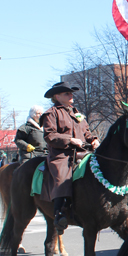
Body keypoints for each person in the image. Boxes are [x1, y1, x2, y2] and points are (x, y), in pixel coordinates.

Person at [40, 82, 100, 234]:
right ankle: (59, 213)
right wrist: (69, 140)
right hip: (62, 154)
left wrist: (92, 139)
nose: (71, 95)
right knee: (61, 176)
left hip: (82, 152)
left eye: (71, 93)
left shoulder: (76, 112)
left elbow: (86, 131)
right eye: (67, 93)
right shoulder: (51, 113)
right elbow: (50, 135)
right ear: (57, 96)